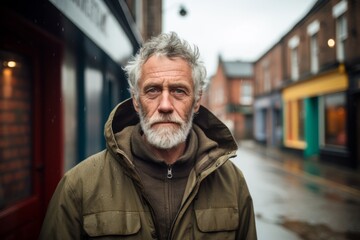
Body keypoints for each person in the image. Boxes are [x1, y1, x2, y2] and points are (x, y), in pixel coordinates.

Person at [39, 32, 257, 240]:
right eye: (152, 90)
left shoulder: (232, 183)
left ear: (197, 100)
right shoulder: (79, 186)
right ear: (135, 100)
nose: (165, 106)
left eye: (179, 91)